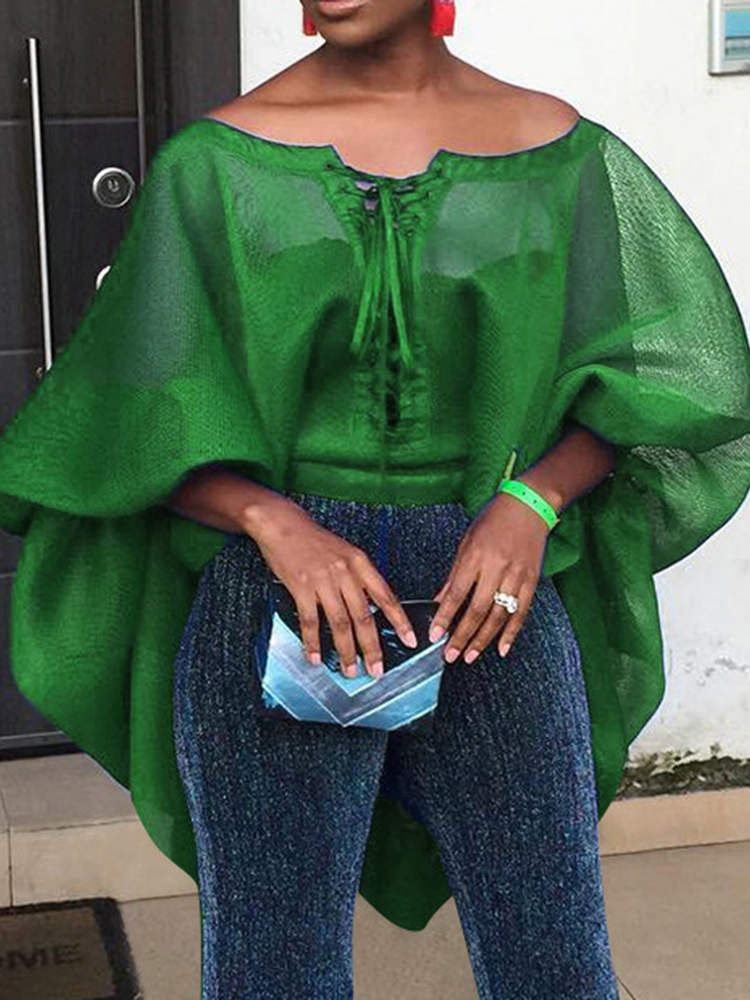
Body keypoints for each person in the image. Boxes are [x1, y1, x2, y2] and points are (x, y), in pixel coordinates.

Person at [0, 1, 749, 998]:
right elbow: (129, 419)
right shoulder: (212, 166)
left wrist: (533, 500)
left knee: (557, 965)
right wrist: (271, 519)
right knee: (274, 970)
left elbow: (648, 385)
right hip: (279, 604)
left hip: (494, 604)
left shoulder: (561, 153)